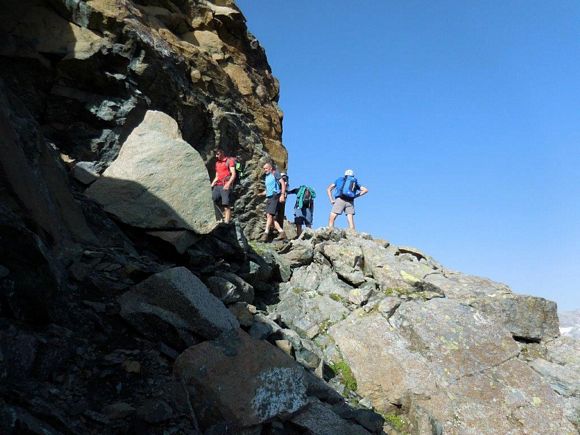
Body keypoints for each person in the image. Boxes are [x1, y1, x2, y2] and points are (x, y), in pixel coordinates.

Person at [259, 162, 287, 241]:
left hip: (275, 196)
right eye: (264, 169)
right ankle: (282, 233)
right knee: (270, 217)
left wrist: (282, 194)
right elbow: (267, 190)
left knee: (270, 215)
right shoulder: (267, 177)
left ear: (270, 168)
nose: (265, 170)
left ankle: (265, 234)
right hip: (269, 197)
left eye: (266, 168)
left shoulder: (275, 173)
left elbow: (282, 183)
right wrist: (260, 194)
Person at [210, 148, 236, 224]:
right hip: (217, 186)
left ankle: (227, 221)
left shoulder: (229, 161)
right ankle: (216, 219)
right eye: (215, 154)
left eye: (217, 154)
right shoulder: (217, 163)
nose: (216, 156)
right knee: (211, 201)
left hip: (225, 185)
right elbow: (217, 176)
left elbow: (233, 174)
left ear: (222, 153)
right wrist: (212, 185)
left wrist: (228, 184)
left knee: (226, 204)